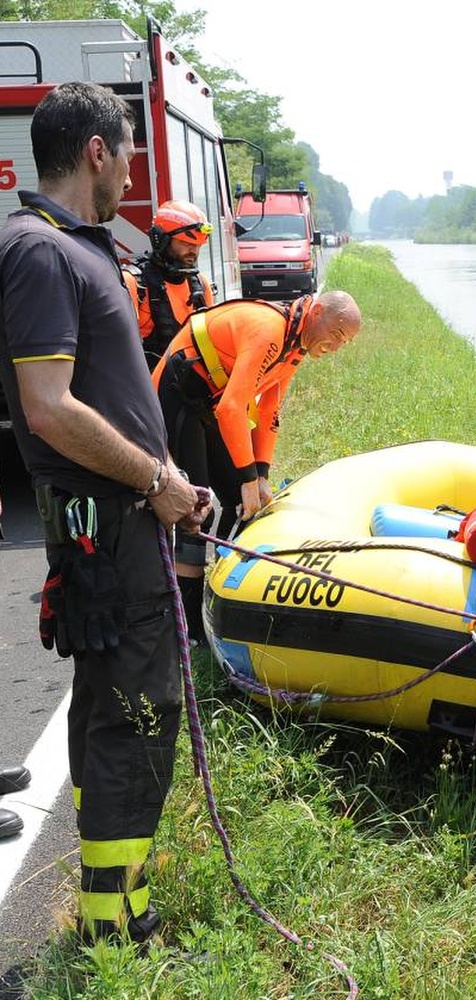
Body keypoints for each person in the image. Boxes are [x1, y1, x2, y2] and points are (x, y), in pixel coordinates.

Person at [0, 81, 207, 944]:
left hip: (117, 520)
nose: (131, 169)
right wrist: (156, 479)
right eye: (126, 151)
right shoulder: (42, 253)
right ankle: (119, 923)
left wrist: (165, 476)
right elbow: (47, 406)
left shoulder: (75, 248)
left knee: (109, 707)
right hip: (113, 526)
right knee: (136, 715)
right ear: (96, 151)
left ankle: (106, 891)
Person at [151, 290, 362, 639]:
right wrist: (249, 479)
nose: (336, 347)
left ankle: (216, 593)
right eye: (337, 335)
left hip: (208, 399)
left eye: (346, 342)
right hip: (177, 391)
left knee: (240, 502)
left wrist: (260, 475)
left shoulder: (295, 347)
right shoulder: (270, 329)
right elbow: (233, 408)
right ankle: (186, 628)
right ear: (318, 311)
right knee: (198, 506)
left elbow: (268, 412)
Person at [122, 199, 216, 371]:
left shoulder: (201, 284)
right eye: (185, 243)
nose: (193, 252)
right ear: (162, 241)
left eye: (197, 246)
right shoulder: (134, 282)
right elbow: (121, 351)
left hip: (189, 388)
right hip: (150, 388)